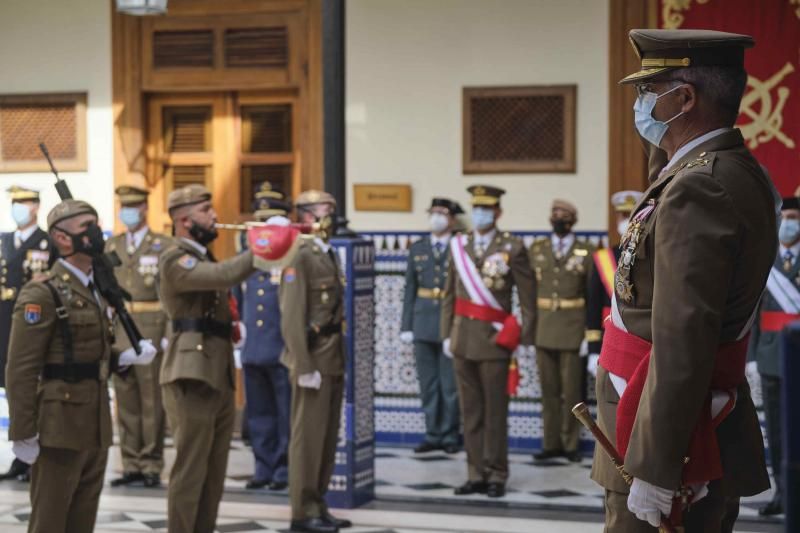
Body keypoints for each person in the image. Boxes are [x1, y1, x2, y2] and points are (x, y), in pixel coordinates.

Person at [592, 29, 777, 532]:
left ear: (684, 98)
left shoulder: (700, 186)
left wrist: (656, 466)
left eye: (648, 91)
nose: (640, 103)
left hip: (667, 438)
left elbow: (682, 337)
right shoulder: (720, 170)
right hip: (668, 421)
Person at [5, 199, 157, 533]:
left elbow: (90, 353)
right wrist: (22, 432)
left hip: (95, 423)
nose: (94, 231)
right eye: (84, 225)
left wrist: (124, 357)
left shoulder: (98, 289)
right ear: (61, 238)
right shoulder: (43, 292)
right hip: (58, 425)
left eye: (95, 223)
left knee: (82, 521)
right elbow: (21, 369)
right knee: (50, 520)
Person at [159, 184, 261, 533]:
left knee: (214, 473)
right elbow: (223, 276)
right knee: (190, 470)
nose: (215, 216)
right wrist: (261, 247)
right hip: (191, 374)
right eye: (206, 209)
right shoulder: (175, 257)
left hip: (215, 371)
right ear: (184, 219)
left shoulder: (202, 255)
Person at [440, 185, 536, 499]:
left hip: (495, 342)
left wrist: (523, 336)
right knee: (470, 412)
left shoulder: (513, 246)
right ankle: (475, 473)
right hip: (463, 340)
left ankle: (496, 473)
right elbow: (450, 293)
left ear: (497, 212)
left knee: (495, 412)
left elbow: (527, 297)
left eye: (486, 208)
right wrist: (446, 334)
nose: (480, 214)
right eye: (476, 208)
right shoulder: (459, 244)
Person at [280, 190, 351, 533]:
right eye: (326, 210)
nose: (332, 216)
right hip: (313, 361)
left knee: (326, 438)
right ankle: (302, 512)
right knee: (307, 440)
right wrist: (303, 365)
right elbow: (292, 317)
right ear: (306, 216)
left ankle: (318, 503)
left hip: (332, 357)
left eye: (333, 210)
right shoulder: (299, 254)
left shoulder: (327, 253)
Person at [105, 186, 171, 488]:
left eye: (132, 206)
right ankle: (130, 462)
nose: (126, 212)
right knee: (126, 397)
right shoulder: (112, 245)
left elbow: (171, 294)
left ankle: (151, 463)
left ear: (145, 208)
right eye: (123, 206)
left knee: (151, 399)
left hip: (152, 325)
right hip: (120, 327)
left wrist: (169, 332)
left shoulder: (163, 245)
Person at [235, 183, 293, 491]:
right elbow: (235, 299)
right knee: (258, 414)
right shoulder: (247, 258)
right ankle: (263, 465)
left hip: (282, 348)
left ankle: (284, 468)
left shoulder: (292, 258)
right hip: (254, 349)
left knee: (285, 414)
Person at [747, 187, 800, 516]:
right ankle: (783, 492)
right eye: (786, 218)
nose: (789, 225)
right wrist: (750, 357)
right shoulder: (764, 260)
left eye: (795, 219)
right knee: (778, 432)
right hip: (769, 356)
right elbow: (752, 315)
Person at [530, 199, 594, 463]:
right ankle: (550, 443)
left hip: (572, 329)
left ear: (573, 220)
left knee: (572, 392)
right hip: (544, 328)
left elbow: (592, 295)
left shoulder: (587, 251)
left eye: (564, 214)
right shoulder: (538, 249)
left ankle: (570, 444)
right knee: (548, 391)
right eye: (554, 213)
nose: (558, 218)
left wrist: (589, 335)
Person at [400, 197, 463, 455]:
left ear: (452, 219)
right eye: (433, 213)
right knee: (428, 383)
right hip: (422, 320)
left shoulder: (460, 246)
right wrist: (407, 325)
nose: (436, 218)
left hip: (450, 322)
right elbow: (410, 288)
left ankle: (450, 434)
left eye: (442, 213)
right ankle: (432, 433)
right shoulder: (418, 248)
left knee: (450, 384)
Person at [0, 186, 50, 483]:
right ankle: (21, 456)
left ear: (36, 207)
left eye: (24, 203)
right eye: (14, 203)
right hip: (5, 327)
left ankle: (36, 456)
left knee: (35, 391)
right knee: (13, 391)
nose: (18, 208)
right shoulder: (4, 241)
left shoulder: (46, 242)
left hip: (33, 325)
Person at [585, 190, 643, 379]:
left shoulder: (649, 255)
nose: (626, 220)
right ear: (617, 218)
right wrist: (593, 349)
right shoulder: (603, 258)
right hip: (608, 337)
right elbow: (593, 306)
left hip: (640, 338)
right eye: (623, 215)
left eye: (631, 214)